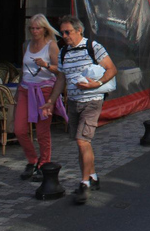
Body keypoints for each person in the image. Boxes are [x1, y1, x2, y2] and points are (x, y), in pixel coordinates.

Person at [41, 15, 118, 205]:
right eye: (63, 32)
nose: (65, 36)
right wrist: (51, 101)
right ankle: (92, 176)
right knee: (81, 143)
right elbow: (61, 79)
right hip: (74, 102)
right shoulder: (64, 52)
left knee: (82, 140)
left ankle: (84, 184)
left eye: (68, 32)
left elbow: (111, 69)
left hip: (92, 101)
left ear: (79, 31)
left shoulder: (93, 47)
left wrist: (97, 84)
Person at [15, 14, 66, 182]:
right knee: (19, 129)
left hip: (44, 90)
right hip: (26, 89)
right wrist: (18, 90)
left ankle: (44, 163)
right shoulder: (27, 45)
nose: (34, 31)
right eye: (32, 28)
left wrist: (46, 66)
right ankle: (32, 160)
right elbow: (23, 69)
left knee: (42, 131)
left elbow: (60, 71)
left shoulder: (51, 46)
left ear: (45, 29)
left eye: (38, 28)